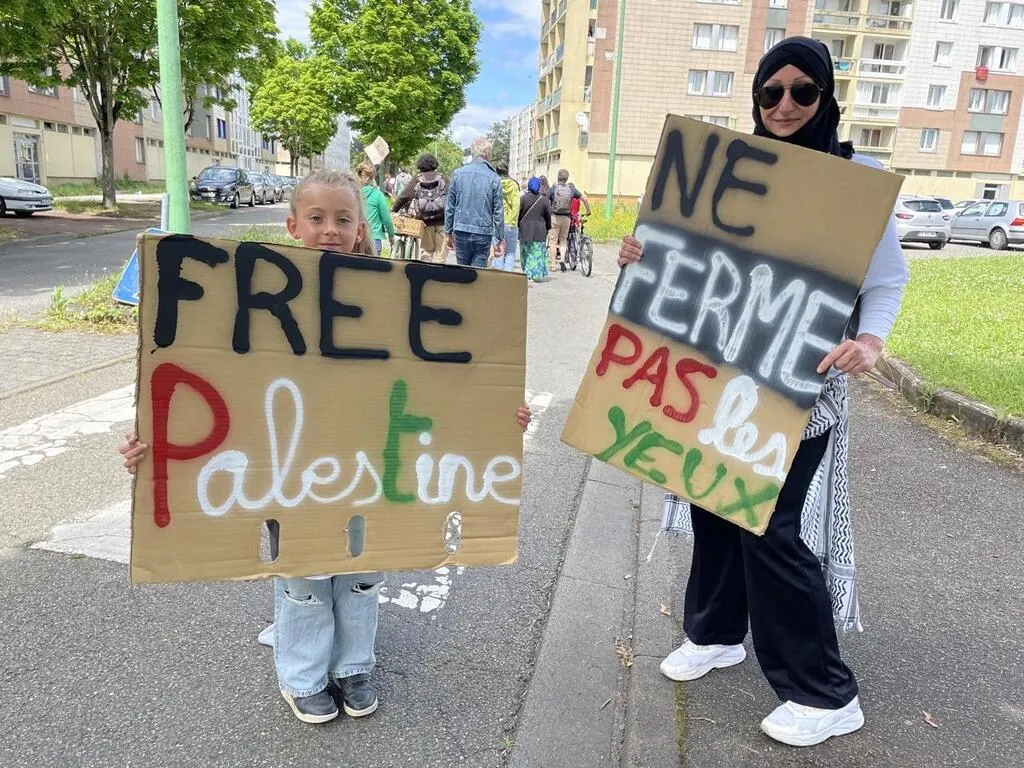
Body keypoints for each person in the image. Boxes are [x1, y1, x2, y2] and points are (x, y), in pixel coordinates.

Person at [118, 168, 535, 725]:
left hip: (370, 470)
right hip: (290, 469)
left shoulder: (388, 300)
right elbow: (203, 371)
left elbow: (447, 382)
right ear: (293, 225)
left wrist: (497, 420)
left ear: (361, 226)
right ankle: (304, 676)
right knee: (305, 580)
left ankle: (353, 666)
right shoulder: (252, 296)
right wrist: (154, 441)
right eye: (317, 218)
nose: (330, 230)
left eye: (342, 219)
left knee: (362, 574)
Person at [616, 37, 908, 748]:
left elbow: (887, 280)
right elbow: (690, 260)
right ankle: (716, 633)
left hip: (802, 388)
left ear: (826, 98)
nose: (784, 105)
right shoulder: (731, 169)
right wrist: (642, 256)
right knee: (713, 501)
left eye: (803, 91)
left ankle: (825, 692)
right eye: (770, 91)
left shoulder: (855, 180)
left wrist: (870, 343)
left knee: (769, 526)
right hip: (721, 377)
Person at [444, 137, 505, 268]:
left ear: (473, 153)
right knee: (478, 273)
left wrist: (448, 231)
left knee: (462, 272)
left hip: (461, 229)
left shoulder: (458, 174)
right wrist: (500, 238)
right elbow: (498, 211)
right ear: (488, 154)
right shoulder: (494, 178)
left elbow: (450, 206)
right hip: (483, 232)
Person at [392, 153, 448, 264]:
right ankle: (438, 272)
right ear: (435, 164)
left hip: (425, 222)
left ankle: (426, 271)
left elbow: (404, 196)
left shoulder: (417, 179)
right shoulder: (444, 178)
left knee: (427, 252)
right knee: (440, 254)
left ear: (420, 166)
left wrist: (394, 209)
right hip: (442, 222)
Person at [547, 169, 590, 272]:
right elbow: (585, 199)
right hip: (566, 218)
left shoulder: (554, 188)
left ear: (558, 177)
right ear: (567, 178)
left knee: (553, 241)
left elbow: (545, 200)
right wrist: (588, 210)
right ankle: (562, 259)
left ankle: (553, 265)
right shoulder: (571, 189)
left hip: (554, 217)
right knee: (563, 239)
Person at [356, 161, 395, 257]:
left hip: (356, 239)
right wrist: (391, 236)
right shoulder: (378, 195)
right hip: (374, 239)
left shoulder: (354, 194)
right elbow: (386, 219)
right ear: (374, 177)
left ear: (359, 175)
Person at [517, 176, 551, 282]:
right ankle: (534, 273)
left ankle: (527, 272)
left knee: (525, 252)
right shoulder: (544, 200)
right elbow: (548, 216)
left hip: (525, 230)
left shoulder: (523, 199)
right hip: (539, 231)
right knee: (536, 253)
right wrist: (548, 228)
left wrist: (518, 225)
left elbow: (518, 214)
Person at [493, 160, 521, 272]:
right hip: (511, 223)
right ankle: (508, 275)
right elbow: (516, 205)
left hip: (497, 222)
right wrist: (514, 222)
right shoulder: (514, 185)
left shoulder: (494, 184)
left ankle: (498, 276)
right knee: (510, 252)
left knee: (498, 251)